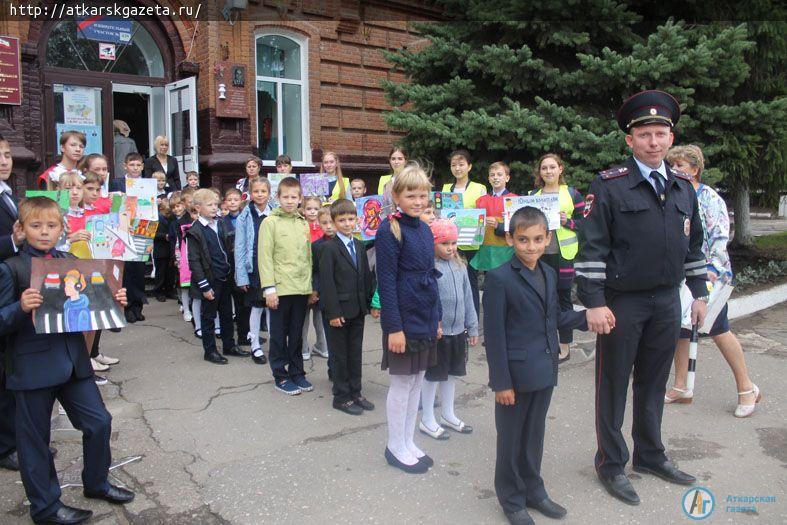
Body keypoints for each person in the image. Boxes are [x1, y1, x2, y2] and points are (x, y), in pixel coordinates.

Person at [575, 90, 708, 506]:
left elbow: (694, 246)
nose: (654, 142)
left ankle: (650, 455)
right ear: (630, 141)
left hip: (667, 301)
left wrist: (700, 292)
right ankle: (611, 463)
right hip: (622, 303)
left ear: (671, 138)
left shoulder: (684, 187)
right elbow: (592, 248)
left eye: (661, 134)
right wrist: (594, 302)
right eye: (645, 134)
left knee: (653, 382)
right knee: (613, 383)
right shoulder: (609, 185)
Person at [0, 196, 134, 524]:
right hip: (32, 368)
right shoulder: (11, 268)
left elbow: (96, 314)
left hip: (73, 362)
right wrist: (20, 308)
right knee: (34, 441)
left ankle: (97, 482)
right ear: (21, 228)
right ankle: (46, 507)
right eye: (35, 226)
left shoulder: (71, 261)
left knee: (99, 422)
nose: (44, 232)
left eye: (51, 226)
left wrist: (116, 301)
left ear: (62, 229)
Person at [484, 206, 589, 525]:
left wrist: (588, 318)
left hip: (544, 369)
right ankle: (512, 499)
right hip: (514, 376)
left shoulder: (548, 272)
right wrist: (501, 382)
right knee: (511, 438)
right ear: (510, 239)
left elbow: (553, 316)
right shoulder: (499, 279)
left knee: (534, 435)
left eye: (538, 239)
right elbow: (495, 334)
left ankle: (534, 490)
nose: (531, 246)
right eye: (523, 239)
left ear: (547, 239)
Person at [664, 145, 761, 417]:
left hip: (710, 276)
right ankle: (682, 386)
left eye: (681, 166)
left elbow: (719, 239)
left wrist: (708, 275)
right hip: (680, 277)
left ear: (695, 170)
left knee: (718, 329)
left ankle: (747, 388)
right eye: (672, 166)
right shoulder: (673, 196)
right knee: (680, 330)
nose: (675, 171)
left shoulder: (710, 198)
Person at [375, 163, 439, 474]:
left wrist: (436, 319)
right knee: (402, 383)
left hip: (424, 317)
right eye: (410, 195)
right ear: (397, 196)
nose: (417, 201)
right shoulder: (389, 230)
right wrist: (394, 329)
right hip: (403, 320)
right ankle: (394, 445)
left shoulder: (425, 229)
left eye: (422, 195)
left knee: (417, 381)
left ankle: (408, 440)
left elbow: (431, 277)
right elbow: (386, 282)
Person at [419, 220, 478, 439]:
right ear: (433, 244)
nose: (450, 248)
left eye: (453, 243)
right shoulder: (429, 268)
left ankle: (448, 413)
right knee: (433, 376)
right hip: (438, 333)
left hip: (457, 331)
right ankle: (427, 418)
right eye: (444, 243)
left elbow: (468, 298)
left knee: (452, 374)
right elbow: (426, 301)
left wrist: (472, 327)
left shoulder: (460, 266)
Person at [318, 199, 375, 415]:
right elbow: (327, 283)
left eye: (351, 219)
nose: (347, 223)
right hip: (338, 312)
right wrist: (333, 312)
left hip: (357, 309)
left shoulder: (359, 245)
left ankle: (356, 392)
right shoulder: (329, 248)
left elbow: (366, 276)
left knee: (355, 353)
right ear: (333, 222)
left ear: (357, 220)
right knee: (339, 355)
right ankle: (341, 396)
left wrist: (369, 303)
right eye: (341, 220)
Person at [260, 177, 315, 394]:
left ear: (300, 198)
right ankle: (280, 375)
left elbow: (307, 257)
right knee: (279, 334)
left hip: (301, 288)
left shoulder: (302, 223)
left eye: (294, 197)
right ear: (278, 197)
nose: (290, 201)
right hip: (280, 289)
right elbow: (265, 257)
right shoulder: (270, 222)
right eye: (286, 197)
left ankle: (297, 372)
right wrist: (269, 289)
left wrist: (310, 288)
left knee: (297, 334)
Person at [529, 154, 585, 362]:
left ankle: (564, 346)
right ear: (540, 172)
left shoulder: (572, 194)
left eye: (552, 167)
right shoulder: (533, 194)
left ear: (560, 169)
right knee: (539, 299)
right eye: (544, 168)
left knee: (563, 301)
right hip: (538, 256)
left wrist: (567, 221)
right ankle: (542, 343)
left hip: (563, 256)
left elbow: (587, 224)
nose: (548, 171)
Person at [187, 189, 250, 365]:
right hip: (210, 279)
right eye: (210, 205)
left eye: (216, 204)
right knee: (208, 316)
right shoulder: (195, 231)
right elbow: (194, 261)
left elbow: (230, 246)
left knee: (227, 313)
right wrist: (204, 286)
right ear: (198, 207)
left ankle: (229, 345)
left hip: (226, 276)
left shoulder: (221, 223)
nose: (215, 208)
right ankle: (210, 350)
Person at [0, 134, 23, 473]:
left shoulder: (8, 193)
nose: (4, 160)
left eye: (6, 154)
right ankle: (6, 446)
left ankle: (16, 438)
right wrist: (13, 240)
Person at [442, 149, 487, 317]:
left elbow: (483, 214)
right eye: (454, 165)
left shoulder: (479, 188)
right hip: (450, 242)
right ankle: (455, 316)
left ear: (469, 167)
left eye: (461, 164)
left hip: (471, 242)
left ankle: (472, 318)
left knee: (470, 280)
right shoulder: (446, 188)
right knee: (452, 280)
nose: (457, 168)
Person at [234, 178, 271, 363]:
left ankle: (275, 344)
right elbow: (240, 246)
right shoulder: (245, 216)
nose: (260, 195)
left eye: (263, 191)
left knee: (273, 306)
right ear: (250, 193)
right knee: (256, 307)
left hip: (272, 267)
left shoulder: (275, 213)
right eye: (256, 191)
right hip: (254, 267)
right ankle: (255, 344)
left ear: (269, 193)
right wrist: (241, 276)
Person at [472, 161, 516, 273]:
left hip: (507, 250)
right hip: (487, 250)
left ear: (507, 178)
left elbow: (518, 228)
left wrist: (499, 225)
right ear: (489, 178)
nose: (495, 177)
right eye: (492, 175)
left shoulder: (515, 200)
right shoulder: (481, 201)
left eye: (499, 174)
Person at [301, 196, 328, 360]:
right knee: (302, 317)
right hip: (305, 278)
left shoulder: (324, 229)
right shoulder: (301, 227)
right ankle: (303, 347)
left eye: (315, 209)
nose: (312, 212)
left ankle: (322, 345)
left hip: (321, 279)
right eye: (309, 209)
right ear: (303, 210)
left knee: (320, 316)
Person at [153, 199, 173, 302]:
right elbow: (153, 234)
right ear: (161, 210)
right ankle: (158, 291)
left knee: (169, 273)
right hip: (160, 250)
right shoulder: (156, 219)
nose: (168, 215)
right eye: (167, 213)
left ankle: (169, 290)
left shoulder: (170, 219)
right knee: (160, 273)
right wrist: (164, 236)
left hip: (169, 249)